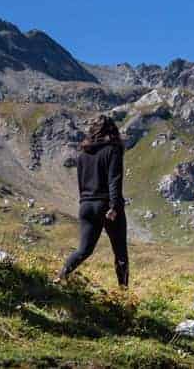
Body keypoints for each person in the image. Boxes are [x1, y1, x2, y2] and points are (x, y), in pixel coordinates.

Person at [56, 115, 128, 287]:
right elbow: (114, 180)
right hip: (106, 205)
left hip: (86, 205)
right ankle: (123, 292)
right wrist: (114, 206)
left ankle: (61, 275)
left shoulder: (83, 154)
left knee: (84, 249)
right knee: (120, 252)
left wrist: (84, 202)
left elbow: (81, 182)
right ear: (112, 131)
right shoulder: (113, 150)